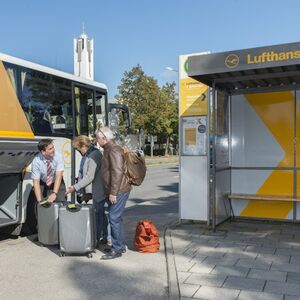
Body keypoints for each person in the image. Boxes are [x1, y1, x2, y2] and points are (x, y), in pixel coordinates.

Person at [95, 127, 131, 260]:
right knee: (116, 218)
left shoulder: (113, 150)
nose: (96, 140)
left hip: (119, 190)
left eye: (97, 138)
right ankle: (119, 245)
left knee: (114, 218)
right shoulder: (109, 149)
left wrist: (113, 193)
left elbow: (117, 172)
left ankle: (117, 249)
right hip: (116, 190)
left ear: (104, 138)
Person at [65, 135, 108, 245]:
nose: (78, 151)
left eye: (78, 149)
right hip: (96, 189)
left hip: (98, 189)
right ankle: (104, 237)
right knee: (100, 214)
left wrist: (75, 187)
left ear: (83, 145)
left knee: (99, 214)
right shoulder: (90, 154)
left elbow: (89, 176)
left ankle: (97, 239)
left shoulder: (94, 155)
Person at [31, 139, 65, 203]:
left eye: (53, 147)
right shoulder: (36, 161)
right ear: (43, 152)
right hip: (43, 182)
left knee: (61, 203)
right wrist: (40, 201)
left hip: (56, 181)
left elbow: (59, 176)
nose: (53, 150)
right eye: (50, 149)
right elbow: (36, 183)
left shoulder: (58, 156)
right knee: (40, 203)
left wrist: (54, 193)